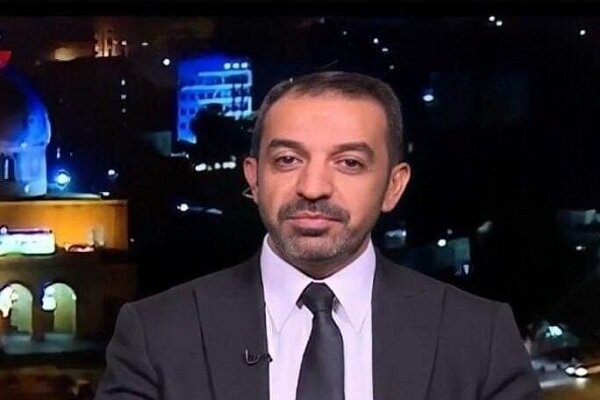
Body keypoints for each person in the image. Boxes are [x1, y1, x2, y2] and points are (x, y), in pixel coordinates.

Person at [95, 71, 542, 400]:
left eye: (349, 163)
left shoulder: (479, 337)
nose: (312, 188)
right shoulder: (155, 335)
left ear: (393, 186)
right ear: (254, 179)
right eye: (288, 160)